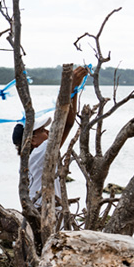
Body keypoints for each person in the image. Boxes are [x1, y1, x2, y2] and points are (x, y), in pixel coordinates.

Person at [12, 66, 88, 207]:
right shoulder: (40, 153)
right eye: (42, 130)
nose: (47, 132)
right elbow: (67, 124)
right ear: (32, 140)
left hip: (39, 211)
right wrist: (71, 87)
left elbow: (67, 124)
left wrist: (73, 90)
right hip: (45, 214)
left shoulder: (31, 158)